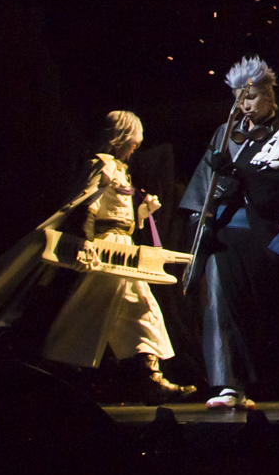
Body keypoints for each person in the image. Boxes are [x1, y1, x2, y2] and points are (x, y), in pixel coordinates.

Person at [40, 111, 197, 401]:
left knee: (139, 308)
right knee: (94, 307)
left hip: (123, 246)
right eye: (133, 143)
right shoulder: (101, 165)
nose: (135, 148)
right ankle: (60, 371)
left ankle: (151, 379)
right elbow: (87, 204)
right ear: (121, 138)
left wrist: (143, 211)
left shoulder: (120, 169)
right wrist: (85, 240)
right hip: (107, 247)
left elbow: (119, 212)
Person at [180, 56, 279, 409]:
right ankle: (227, 384)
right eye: (239, 99)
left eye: (250, 97)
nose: (245, 106)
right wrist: (199, 225)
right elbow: (203, 185)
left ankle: (263, 383)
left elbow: (277, 188)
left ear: (268, 94)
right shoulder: (225, 133)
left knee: (260, 310)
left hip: (261, 235)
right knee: (217, 299)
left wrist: (238, 172)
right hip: (222, 231)